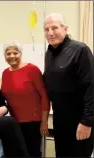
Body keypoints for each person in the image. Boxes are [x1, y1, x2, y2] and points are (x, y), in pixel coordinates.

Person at [43, 13, 94, 157]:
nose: (50, 33)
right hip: (60, 119)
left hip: (79, 120)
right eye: (46, 29)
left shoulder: (80, 50)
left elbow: (91, 87)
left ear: (65, 29)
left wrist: (86, 122)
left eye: (54, 28)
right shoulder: (49, 53)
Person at [0, 40, 50, 157]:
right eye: (8, 53)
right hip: (13, 122)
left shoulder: (32, 70)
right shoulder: (5, 73)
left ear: (21, 54)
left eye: (15, 53)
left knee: (32, 153)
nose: (12, 56)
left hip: (32, 122)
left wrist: (44, 122)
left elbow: (44, 96)